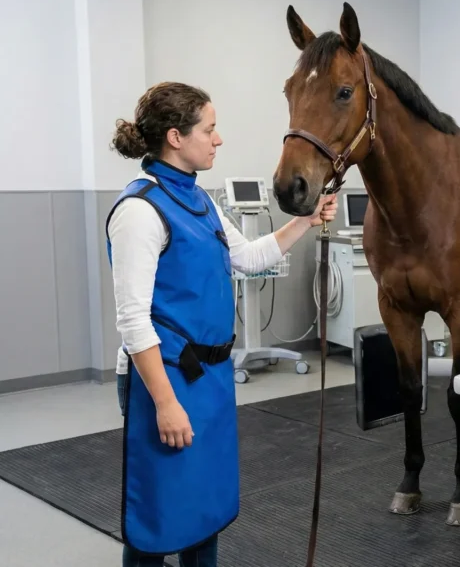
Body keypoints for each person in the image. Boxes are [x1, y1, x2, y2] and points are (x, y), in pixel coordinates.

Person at [106, 81, 336, 567]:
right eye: (209, 129)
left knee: (204, 512)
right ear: (175, 137)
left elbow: (248, 258)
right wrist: (166, 404)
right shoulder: (139, 212)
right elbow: (133, 322)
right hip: (163, 382)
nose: (218, 139)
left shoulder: (201, 200)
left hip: (209, 380)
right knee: (159, 518)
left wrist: (306, 220)